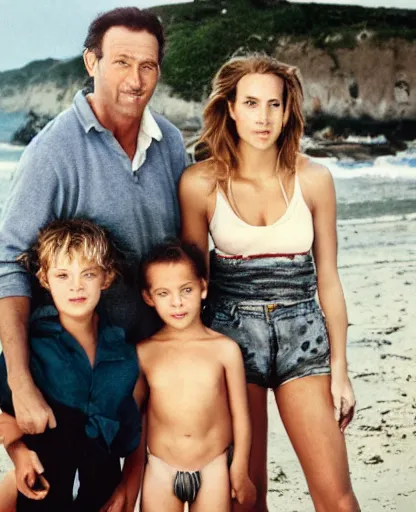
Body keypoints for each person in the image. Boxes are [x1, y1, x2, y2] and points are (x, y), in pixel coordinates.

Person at [0, 6, 187, 441]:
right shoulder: (52, 151)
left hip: (155, 357)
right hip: (77, 369)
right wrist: (21, 386)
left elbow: (184, 252)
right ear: (91, 62)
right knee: (59, 489)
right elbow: (7, 263)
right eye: (121, 63)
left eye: (147, 66)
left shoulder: (170, 142)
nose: (135, 80)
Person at [179, 54, 360, 511]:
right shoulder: (199, 184)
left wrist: (341, 370)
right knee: (246, 496)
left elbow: (329, 281)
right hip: (231, 338)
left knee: (337, 499)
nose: (263, 117)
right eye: (252, 103)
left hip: (305, 337)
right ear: (231, 108)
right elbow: (193, 286)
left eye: (274, 105)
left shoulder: (314, 179)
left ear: (287, 111)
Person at [0, 219, 145, 512]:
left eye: (88, 274)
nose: (76, 286)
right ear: (44, 279)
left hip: (100, 496)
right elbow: (11, 423)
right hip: (42, 494)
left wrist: (126, 489)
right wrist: (19, 452)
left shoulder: (124, 356)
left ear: (106, 278)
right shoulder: (32, 350)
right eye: (63, 275)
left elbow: (129, 438)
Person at [136, 241, 256, 512]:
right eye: (163, 293)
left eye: (186, 290)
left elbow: (241, 416)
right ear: (148, 297)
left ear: (202, 287)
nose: (177, 302)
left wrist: (239, 468)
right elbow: (137, 421)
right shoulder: (144, 353)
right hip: (160, 467)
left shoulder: (225, 350)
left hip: (213, 465)